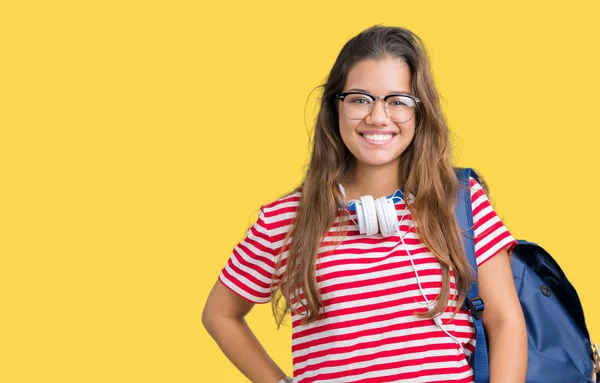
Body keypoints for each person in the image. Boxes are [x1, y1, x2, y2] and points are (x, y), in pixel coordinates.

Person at [202, 24, 528, 383]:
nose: (377, 117)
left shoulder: (459, 201)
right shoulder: (286, 220)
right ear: (335, 107)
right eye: (359, 98)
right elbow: (220, 313)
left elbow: (506, 321)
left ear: (419, 113)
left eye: (398, 101)